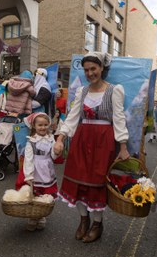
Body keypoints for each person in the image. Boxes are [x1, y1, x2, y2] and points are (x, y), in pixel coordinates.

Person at [54, 51, 130, 243]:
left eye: (93, 69)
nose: (89, 73)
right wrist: (60, 138)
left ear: (101, 68)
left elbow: (119, 119)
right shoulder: (82, 91)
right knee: (77, 180)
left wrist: (123, 146)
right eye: (86, 70)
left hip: (103, 142)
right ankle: (83, 220)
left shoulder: (115, 90)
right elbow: (72, 117)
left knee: (96, 183)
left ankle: (97, 224)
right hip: (81, 139)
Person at [23, 112, 58, 231]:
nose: (43, 127)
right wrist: (29, 175)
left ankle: (41, 215)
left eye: (45, 124)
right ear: (34, 126)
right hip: (36, 170)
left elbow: (53, 155)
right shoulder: (31, 141)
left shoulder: (51, 139)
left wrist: (57, 151)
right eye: (40, 125)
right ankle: (33, 217)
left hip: (47, 169)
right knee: (34, 194)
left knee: (45, 195)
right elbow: (28, 159)